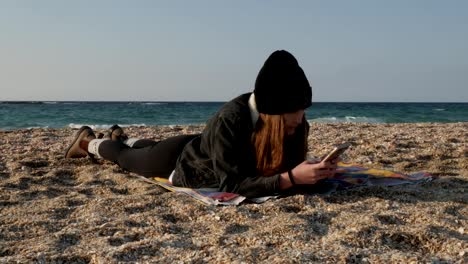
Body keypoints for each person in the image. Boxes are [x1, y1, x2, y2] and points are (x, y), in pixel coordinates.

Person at [65, 50, 338, 198]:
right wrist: (290, 178)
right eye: (290, 124)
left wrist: (312, 169)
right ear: (273, 116)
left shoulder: (295, 117)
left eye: (300, 117)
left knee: (139, 148)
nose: (297, 125)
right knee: (126, 158)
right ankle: (87, 141)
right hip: (180, 161)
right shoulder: (231, 118)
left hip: (205, 146)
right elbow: (231, 183)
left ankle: (121, 135)